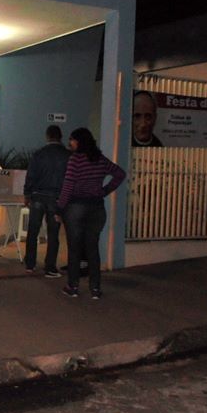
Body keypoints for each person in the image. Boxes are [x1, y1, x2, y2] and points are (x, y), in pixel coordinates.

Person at [55, 128, 126, 300]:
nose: (70, 142)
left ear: (79, 141)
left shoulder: (75, 160)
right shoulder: (100, 159)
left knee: (75, 249)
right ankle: (95, 288)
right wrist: (104, 191)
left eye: (72, 139)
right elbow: (120, 173)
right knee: (92, 248)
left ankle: (73, 286)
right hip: (97, 207)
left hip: (76, 207)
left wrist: (59, 208)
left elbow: (68, 187)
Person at [22, 125, 70, 277]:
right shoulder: (67, 155)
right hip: (56, 198)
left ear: (47, 136)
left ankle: (30, 263)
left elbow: (30, 175)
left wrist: (27, 194)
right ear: (60, 137)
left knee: (33, 230)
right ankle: (50, 266)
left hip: (38, 195)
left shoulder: (39, 154)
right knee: (53, 233)